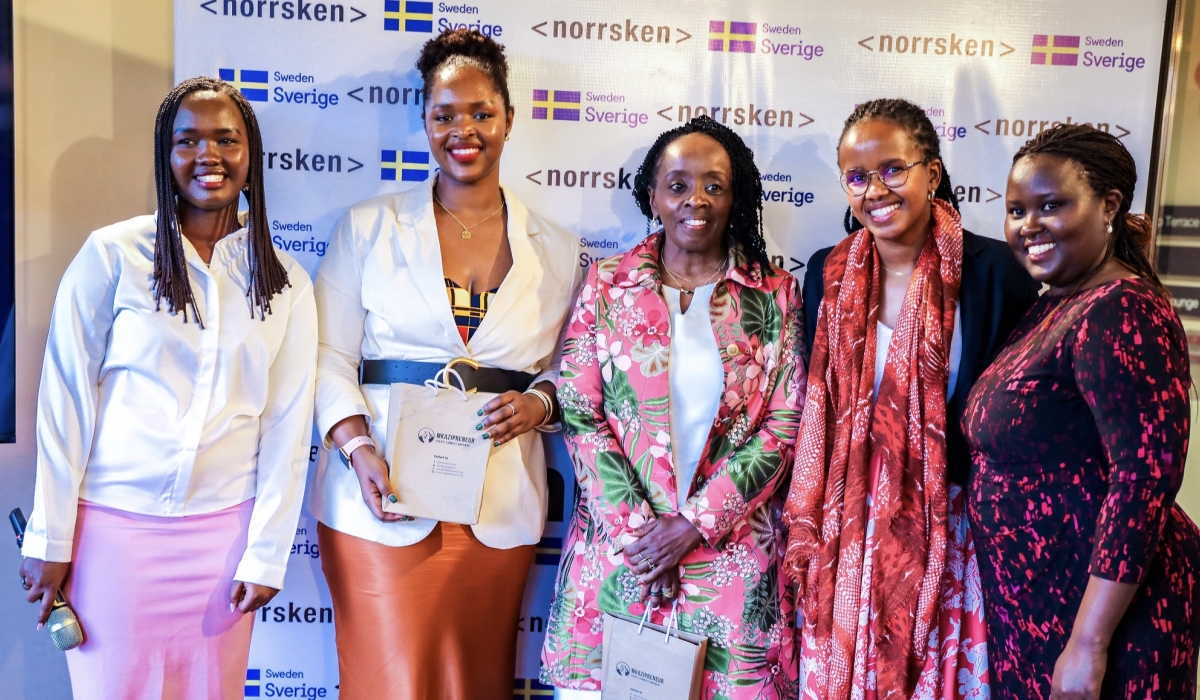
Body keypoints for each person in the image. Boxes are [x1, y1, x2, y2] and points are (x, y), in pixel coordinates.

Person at [17, 76, 317, 699]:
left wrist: (265, 555)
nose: (208, 154)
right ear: (165, 155)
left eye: (226, 139)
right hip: (113, 540)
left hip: (222, 548)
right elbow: (64, 399)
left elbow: (288, 429)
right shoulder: (112, 255)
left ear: (250, 154)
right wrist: (50, 536)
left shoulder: (285, 282)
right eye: (188, 140)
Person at [313, 28, 581, 700]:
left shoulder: (558, 248)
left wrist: (540, 404)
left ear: (510, 120)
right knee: (388, 682)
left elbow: (572, 369)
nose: (464, 129)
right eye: (445, 114)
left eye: (481, 113)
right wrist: (357, 448)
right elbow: (327, 354)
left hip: (498, 506)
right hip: (381, 497)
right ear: (425, 121)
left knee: (473, 683)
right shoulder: (367, 227)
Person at [541, 115, 807, 699]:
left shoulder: (775, 294)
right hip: (621, 557)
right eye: (679, 184)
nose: (697, 200)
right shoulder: (609, 285)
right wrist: (644, 536)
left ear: (736, 197)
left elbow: (784, 425)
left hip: (729, 567)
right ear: (653, 194)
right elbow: (581, 411)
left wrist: (691, 526)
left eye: (715, 185)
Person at [784, 98, 1039, 699]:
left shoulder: (994, 271)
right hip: (843, 532)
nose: (876, 189)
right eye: (857, 176)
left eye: (893, 169)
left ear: (933, 172)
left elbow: (1014, 418)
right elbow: (814, 407)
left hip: (951, 533)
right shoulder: (827, 273)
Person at [962, 124, 1200, 699]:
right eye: (1016, 210)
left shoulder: (1122, 311)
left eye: (1051, 206)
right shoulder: (1057, 303)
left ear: (1110, 206)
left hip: (1103, 624)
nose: (1028, 226)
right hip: (1042, 606)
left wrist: (1088, 643)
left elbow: (1142, 483)